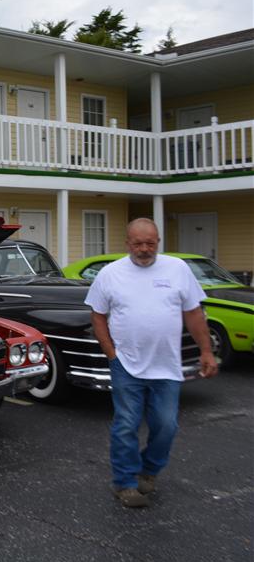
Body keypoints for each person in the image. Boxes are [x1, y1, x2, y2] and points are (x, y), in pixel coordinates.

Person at [85, 218, 218, 508]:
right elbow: (98, 315)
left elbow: (194, 313)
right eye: (138, 244)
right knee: (126, 425)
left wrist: (206, 351)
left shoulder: (177, 269)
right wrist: (111, 353)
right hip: (126, 364)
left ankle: (149, 470)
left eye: (150, 243)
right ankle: (125, 483)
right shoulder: (110, 274)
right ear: (127, 244)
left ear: (158, 241)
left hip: (166, 366)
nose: (144, 249)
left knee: (166, 425)